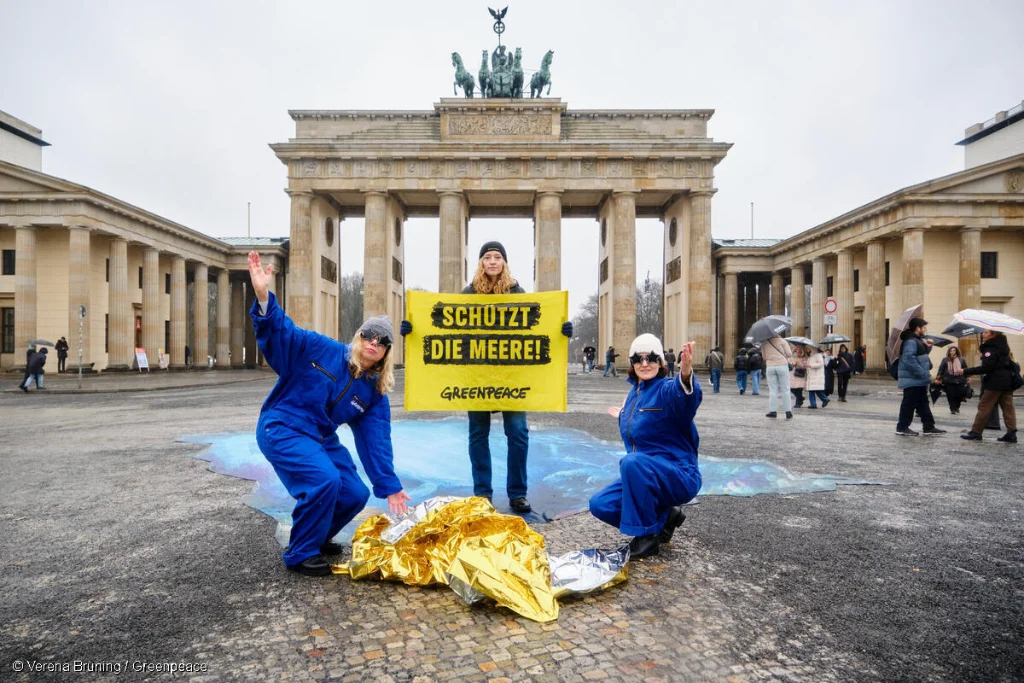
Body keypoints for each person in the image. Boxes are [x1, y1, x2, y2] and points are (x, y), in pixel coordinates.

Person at [248, 251, 411, 577]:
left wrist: (389, 485)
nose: (373, 342)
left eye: (382, 341)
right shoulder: (319, 349)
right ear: (359, 336)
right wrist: (264, 298)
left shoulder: (373, 393)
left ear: (386, 352)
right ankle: (300, 553)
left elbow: (376, 442)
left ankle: (317, 536)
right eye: (368, 335)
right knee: (325, 479)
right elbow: (283, 333)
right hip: (282, 425)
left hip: (320, 437)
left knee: (355, 492)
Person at [451, 241, 572, 513]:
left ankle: (518, 493)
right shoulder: (467, 294)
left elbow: (535, 326)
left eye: (497, 257)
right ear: (481, 263)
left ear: (504, 262)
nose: (492, 261)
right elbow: (448, 327)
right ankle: (482, 493)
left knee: (518, 433)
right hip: (478, 376)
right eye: (487, 257)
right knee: (477, 434)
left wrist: (560, 329)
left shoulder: (518, 292)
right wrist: (415, 329)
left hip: (512, 377)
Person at [589, 335, 701, 559]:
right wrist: (623, 416)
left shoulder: (667, 388)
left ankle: (647, 537)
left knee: (631, 462)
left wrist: (686, 374)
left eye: (651, 358)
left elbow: (685, 399)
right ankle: (666, 516)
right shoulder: (634, 394)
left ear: (661, 362)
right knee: (600, 504)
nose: (645, 363)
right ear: (631, 363)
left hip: (678, 474)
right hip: (645, 475)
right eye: (638, 359)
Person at [960, 330, 1017, 443]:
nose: (982, 334)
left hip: (995, 382)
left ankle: (976, 432)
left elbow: (986, 368)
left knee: (984, 406)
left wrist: (965, 370)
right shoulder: (1003, 346)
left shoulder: (990, 348)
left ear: (993, 334)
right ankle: (1011, 433)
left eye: (985, 333)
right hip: (1007, 381)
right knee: (1008, 408)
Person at [895, 318, 946, 436]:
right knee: (909, 403)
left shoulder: (916, 340)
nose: (925, 330)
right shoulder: (911, 341)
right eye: (924, 328)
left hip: (918, 380)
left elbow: (919, 356)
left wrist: (927, 347)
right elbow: (908, 359)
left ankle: (928, 426)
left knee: (923, 403)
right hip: (913, 379)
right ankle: (902, 427)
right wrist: (922, 373)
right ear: (918, 328)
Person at [762, 335, 793, 419]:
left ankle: (773, 411)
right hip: (782, 365)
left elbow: (764, 357)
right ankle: (788, 411)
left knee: (773, 390)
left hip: (770, 367)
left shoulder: (765, 342)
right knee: (785, 389)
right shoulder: (782, 341)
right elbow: (789, 354)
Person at [935, 345, 967, 415]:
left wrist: (967, 378)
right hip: (948, 380)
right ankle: (952, 408)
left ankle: (957, 407)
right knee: (950, 395)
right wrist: (938, 379)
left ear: (957, 351)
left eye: (954, 350)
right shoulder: (945, 359)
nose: (952, 352)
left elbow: (965, 369)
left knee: (960, 394)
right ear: (949, 352)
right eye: (951, 351)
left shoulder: (961, 359)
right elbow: (941, 369)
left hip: (959, 380)